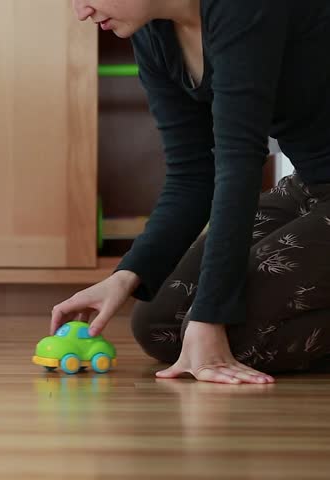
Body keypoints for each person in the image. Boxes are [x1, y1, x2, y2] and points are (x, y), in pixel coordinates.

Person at [53, 0, 330, 384]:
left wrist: (212, 315)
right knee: (161, 327)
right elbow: (193, 175)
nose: (81, 11)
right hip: (313, 186)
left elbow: (239, 160)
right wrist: (125, 276)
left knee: (224, 330)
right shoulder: (152, 33)